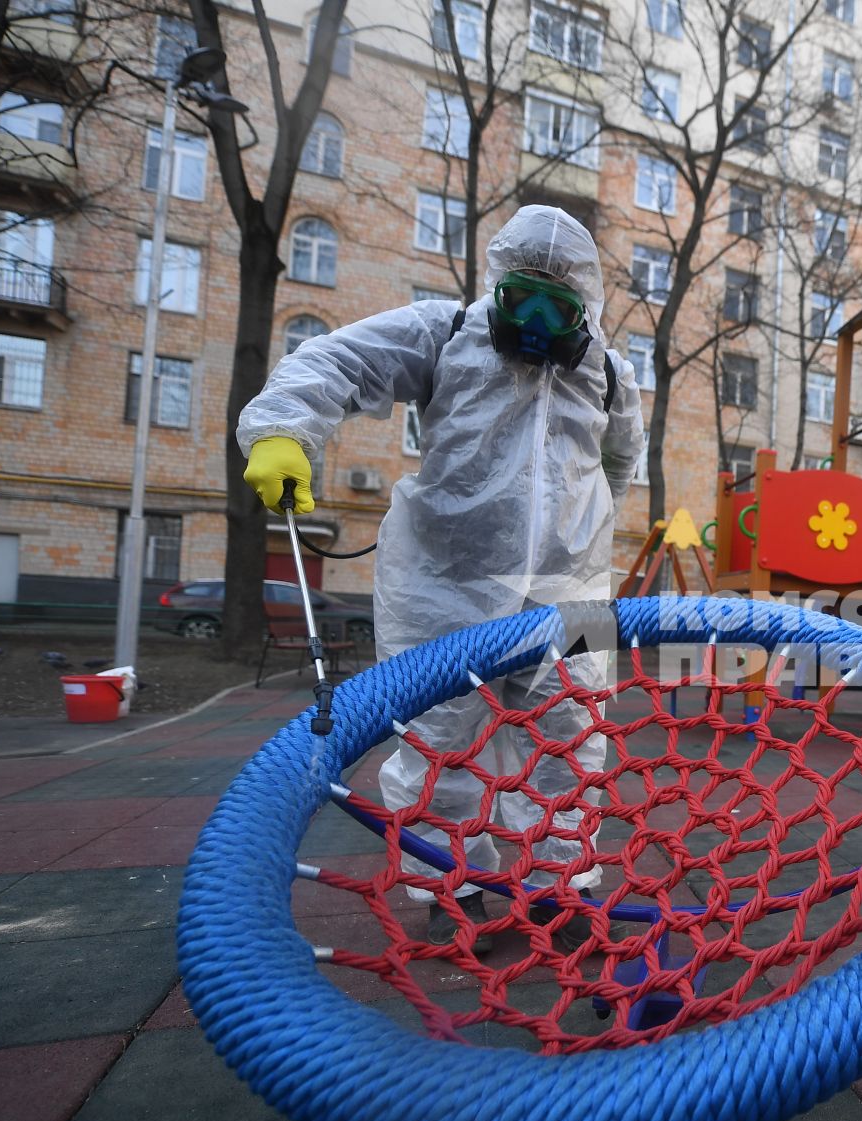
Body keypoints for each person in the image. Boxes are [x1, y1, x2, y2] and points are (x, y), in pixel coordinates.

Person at [238, 205, 646, 949]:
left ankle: (564, 886)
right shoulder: (446, 334)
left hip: (574, 589)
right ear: (494, 285)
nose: (536, 320)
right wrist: (280, 431)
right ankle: (451, 887)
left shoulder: (610, 374)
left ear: (584, 307)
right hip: (443, 583)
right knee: (437, 743)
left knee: (574, 737)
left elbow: (620, 465)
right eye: (521, 297)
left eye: (558, 307)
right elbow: (335, 361)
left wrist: (582, 528)